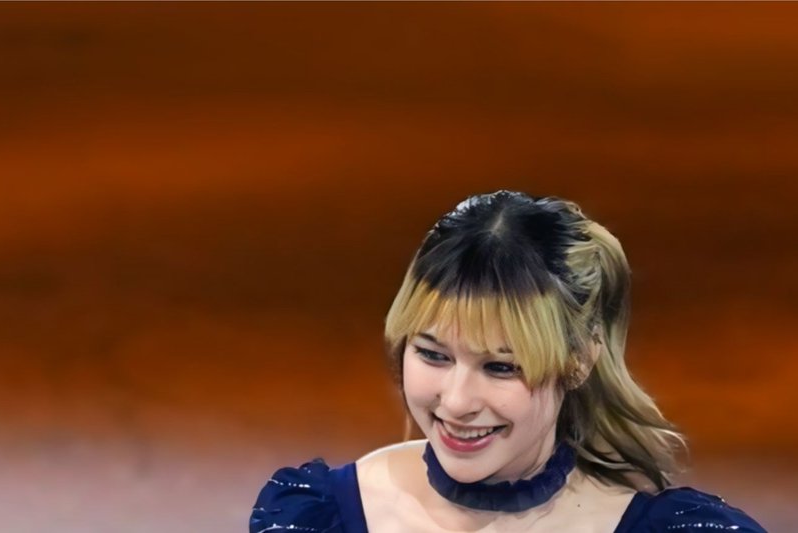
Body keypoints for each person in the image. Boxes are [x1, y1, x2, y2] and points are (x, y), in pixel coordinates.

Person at [249, 191, 765, 532]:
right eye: (432, 354)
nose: (456, 402)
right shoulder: (317, 516)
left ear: (579, 362)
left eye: (501, 367)